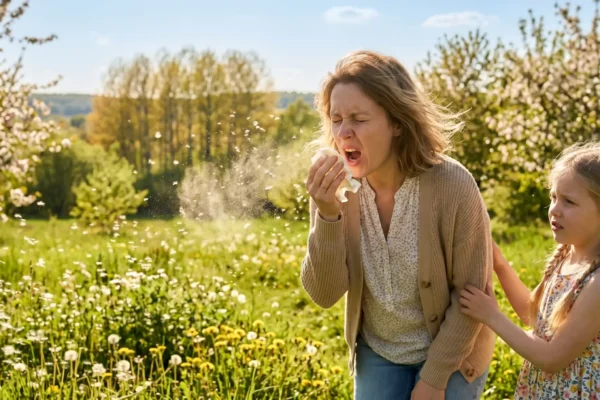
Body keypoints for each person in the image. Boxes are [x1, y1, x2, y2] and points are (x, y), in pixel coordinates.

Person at [300, 49, 495, 400]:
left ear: (397, 123)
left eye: (359, 119)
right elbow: (324, 294)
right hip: (379, 352)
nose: (343, 132)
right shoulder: (335, 190)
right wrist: (327, 215)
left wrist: (434, 380)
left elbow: (472, 297)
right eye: (336, 118)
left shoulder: (452, 185)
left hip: (453, 350)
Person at [460, 141, 600, 399]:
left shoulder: (596, 282)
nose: (554, 210)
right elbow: (532, 314)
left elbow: (551, 358)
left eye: (569, 202)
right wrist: (500, 264)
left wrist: (492, 316)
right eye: (553, 197)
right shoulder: (567, 257)